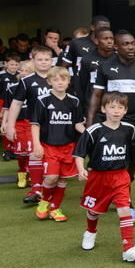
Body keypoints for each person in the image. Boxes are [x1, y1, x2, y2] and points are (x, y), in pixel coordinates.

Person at [75, 92, 135, 262]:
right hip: (98, 177)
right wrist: (81, 169)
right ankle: (90, 232)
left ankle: (128, 248)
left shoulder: (128, 129)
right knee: (93, 211)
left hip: (120, 177)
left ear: (125, 111)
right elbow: (79, 153)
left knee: (125, 210)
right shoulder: (93, 130)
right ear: (103, 109)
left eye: (120, 107)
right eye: (112, 107)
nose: (116, 111)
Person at [86, 31, 135, 182]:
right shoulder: (105, 67)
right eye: (125, 44)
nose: (130, 47)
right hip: (111, 122)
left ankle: (124, 189)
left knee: (132, 160)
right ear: (116, 47)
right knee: (110, 159)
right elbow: (96, 95)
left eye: (132, 43)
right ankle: (113, 195)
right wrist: (90, 121)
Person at [30, 67, 85, 222]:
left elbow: (77, 124)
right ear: (49, 82)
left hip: (69, 146)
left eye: (63, 79)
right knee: (51, 178)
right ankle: (44, 202)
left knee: (62, 180)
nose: (60, 82)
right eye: (55, 80)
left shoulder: (74, 101)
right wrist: (36, 145)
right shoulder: (43, 101)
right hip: (49, 146)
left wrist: (88, 133)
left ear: (68, 81)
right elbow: (35, 124)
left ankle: (55, 208)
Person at [4, 47, 55, 203]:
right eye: (39, 59)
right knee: (35, 154)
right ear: (33, 60)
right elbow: (16, 104)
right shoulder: (27, 81)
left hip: (56, 124)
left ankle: (51, 191)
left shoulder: (59, 77)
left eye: (46, 59)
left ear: (51, 61)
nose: (43, 62)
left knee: (54, 158)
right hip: (35, 125)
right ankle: (36, 190)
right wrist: (10, 125)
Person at [0, 52, 22, 160]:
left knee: (17, 125)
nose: (14, 67)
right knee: (5, 125)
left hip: (17, 102)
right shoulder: (0, 75)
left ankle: (17, 149)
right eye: (12, 64)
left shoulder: (21, 75)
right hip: (2, 102)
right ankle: (8, 150)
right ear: (5, 64)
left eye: (16, 64)